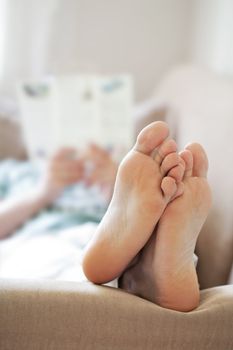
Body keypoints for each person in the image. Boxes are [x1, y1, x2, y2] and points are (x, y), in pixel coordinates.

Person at [82, 121, 212, 312]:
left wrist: (111, 183)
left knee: (57, 256)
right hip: (63, 225)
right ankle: (146, 265)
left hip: (73, 228)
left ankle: (147, 248)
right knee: (73, 243)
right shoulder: (25, 174)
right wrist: (45, 191)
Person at [0, 146, 118, 239]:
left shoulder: (123, 168)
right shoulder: (13, 170)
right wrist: (41, 194)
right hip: (34, 240)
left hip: (98, 238)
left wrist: (119, 191)